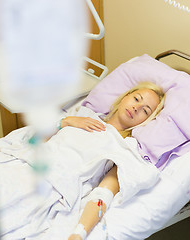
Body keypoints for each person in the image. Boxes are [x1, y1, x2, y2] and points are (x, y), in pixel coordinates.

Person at [63, 81, 166, 240]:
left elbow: (102, 195)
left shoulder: (124, 148)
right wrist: (65, 122)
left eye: (145, 111)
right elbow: (32, 143)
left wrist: (79, 234)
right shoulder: (85, 116)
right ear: (125, 97)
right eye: (137, 99)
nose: (136, 108)